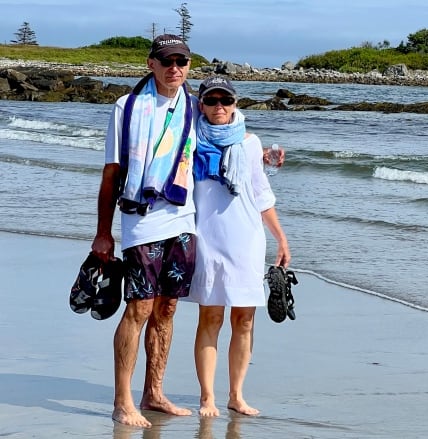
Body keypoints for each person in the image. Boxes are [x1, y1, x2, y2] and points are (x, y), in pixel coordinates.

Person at [91, 34, 197, 428]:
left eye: (182, 61)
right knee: (139, 308)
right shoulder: (128, 107)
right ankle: (123, 401)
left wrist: (265, 156)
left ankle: (154, 392)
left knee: (167, 308)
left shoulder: (195, 105)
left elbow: (226, 137)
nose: (175, 68)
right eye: (167, 60)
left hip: (184, 219)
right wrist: (104, 232)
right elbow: (111, 173)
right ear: (151, 63)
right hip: (141, 219)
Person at [185, 75, 291, 417]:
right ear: (200, 104)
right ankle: (207, 397)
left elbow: (261, 195)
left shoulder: (250, 143)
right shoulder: (188, 139)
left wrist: (280, 237)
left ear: (235, 104)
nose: (219, 107)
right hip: (207, 239)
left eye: (226, 101)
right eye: (212, 101)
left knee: (244, 319)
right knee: (210, 317)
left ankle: (236, 395)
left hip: (247, 239)